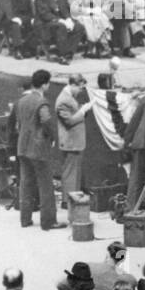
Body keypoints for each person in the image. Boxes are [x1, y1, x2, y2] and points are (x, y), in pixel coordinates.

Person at [14, 70, 64, 230]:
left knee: (26, 184)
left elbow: (19, 124)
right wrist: (54, 137)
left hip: (22, 147)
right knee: (45, 185)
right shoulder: (41, 102)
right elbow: (46, 120)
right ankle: (48, 221)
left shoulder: (21, 101)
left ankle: (25, 219)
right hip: (38, 148)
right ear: (45, 84)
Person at [55, 74, 89, 208]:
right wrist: (83, 111)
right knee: (70, 174)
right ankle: (67, 201)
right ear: (74, 85)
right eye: (80, 88)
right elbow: (69, 121)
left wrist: (81, 109)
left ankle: (71, 200)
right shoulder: (63, 100)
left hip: (74, 142)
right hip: (70, 143)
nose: (81, 91)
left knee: (74, 175)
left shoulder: (69, 98)